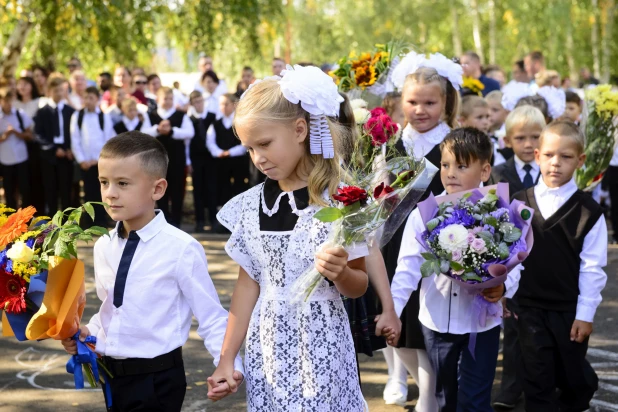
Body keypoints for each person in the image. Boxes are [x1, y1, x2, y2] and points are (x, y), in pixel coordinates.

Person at [206, 66, 368, 410]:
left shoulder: (341, 199)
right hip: (267, 346)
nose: (258, 158)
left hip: (323, 341)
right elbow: (247, 287)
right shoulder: (249, 208)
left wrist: (341, 273)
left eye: (264, 144)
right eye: (249, 148)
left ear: (299, 129)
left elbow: (359, 285)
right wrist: (227, 359)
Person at [60, 132, 243, 411]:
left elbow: (211, 316)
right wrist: (89, 333)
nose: (110, 192)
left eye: (123, 183)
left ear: (157, 189)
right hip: (112, 378)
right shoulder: (103, 245)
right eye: (104, 182)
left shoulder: (181, 248)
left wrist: (228, 365)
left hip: (158, 381)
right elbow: (112, 308)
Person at [392, 127, 521, 411]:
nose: (450, 173)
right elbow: (408, 268)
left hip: (481, 324)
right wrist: (393, 310)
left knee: (475, 400)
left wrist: (503, 287)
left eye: (462, 166)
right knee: (445, 398)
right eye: (445, 164)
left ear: (485, 170)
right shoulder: (424, 215)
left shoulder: (499, 213)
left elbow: (516, 263)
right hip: (437, 323)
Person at [383, 54, 464, 410]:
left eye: (430, 102)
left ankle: (430, 397)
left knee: (427, 327)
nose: (420, 109)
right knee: (396, 322)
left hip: (438, 247)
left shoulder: (454, 143)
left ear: (445, 103)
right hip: (392, 244)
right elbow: (377, 190)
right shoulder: (390, 142)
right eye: (412, 101)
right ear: (401, 101)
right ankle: (408, 381)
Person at [513, 120, 607, 411]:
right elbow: (510, 257)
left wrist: (585, 314)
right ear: (538, 155)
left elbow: (593, 267)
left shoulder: (589, 212)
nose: (556, 163)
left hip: (568, 311)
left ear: (580, 161)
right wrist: (503, 292)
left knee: (572, 378)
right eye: (550, 155)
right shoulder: (518, 203)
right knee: (536, 380)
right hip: (528, 308)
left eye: (566, 157)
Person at [142, 87, 194, 227]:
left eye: (170, 98)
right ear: (158, 99)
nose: (168, 101)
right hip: (156, 160)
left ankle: (176, 220)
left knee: (177, 189)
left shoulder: (181, 115)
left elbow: (190, 132)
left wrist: (171, 131)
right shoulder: (151, 115)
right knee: (159, 189)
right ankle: (162, 220)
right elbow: (143, 132)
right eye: (165, 98)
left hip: (176, 159)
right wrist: (158, 130)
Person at [70, 86, 114, 227]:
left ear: (97, 99)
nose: (88, 101)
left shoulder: (104, 117)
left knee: (102, 191)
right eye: (86, 97)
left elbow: (108, 138)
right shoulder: (77, 116)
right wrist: (82, 159)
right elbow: (75, 139)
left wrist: (101, 158)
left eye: (91, 98)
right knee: (88, 192)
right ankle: (88, 221)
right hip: (85, 163)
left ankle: (101, 220)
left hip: (101, 162)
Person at [35, 76, 75, 215]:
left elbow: (74, 133)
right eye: (55, 90)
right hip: (50, 155)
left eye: (61, 90)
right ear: (49, 91)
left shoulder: (70, 111)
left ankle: (67, 224)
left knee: (66, 190)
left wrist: (71, 149)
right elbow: (38, 135)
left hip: (66, 154)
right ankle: (52, 223)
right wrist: (53, 148)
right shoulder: (43, 111)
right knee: (50, 190)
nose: (58, 93)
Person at [206, 93, 248, 207]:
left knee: (239, 187)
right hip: (221, 162)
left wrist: (230, 152)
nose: (223, 107)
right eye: (221, 104)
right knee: (223, 187)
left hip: (238, 162)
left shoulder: (240, 122)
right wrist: (218, 152)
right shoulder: (216, 123)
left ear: (234, 105)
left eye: (226, 104)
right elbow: (210, 141)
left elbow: (245, 143)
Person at [187, 90, 218, 233]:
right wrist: (188, 161)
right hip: (196, 158)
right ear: (192, 104)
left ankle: (213, 220)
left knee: (212, 189)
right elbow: (187, 142)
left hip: (211, 158)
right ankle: (199, 221)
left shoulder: (212, 117)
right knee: (198, 189)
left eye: (201, 101)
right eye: (196, 102)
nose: (199, 104)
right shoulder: (189, 119)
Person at [0, 86, 34, 208]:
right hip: (5, 160)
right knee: (9, 192)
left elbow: (30, 135)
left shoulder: (20, 114)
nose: (8, 104)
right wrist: (4, 136)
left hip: (21, 158)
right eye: (5, 100)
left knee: (25, 190)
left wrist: (16, 132)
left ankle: (26, 218)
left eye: (10, 100)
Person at [14, 76, 44, 212]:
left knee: (35, 179)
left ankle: (38, 212)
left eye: (25, 84)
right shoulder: (14, 103)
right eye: (20, 84)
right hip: (16, 146)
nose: (22, 87)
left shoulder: (39, 102)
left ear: (32, 86)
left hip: (33, 147)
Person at [459, 95, 504, 166]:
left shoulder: (491, 144)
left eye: (487, 117)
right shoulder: (457, 145)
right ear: (463, 121)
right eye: (479, 117)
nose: (485, 122)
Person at [485, 91, 511, 160]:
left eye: (495, 110)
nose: (489, 113)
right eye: (486, 109)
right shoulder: (483, 131)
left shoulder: (508, 132)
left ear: (507, 113)